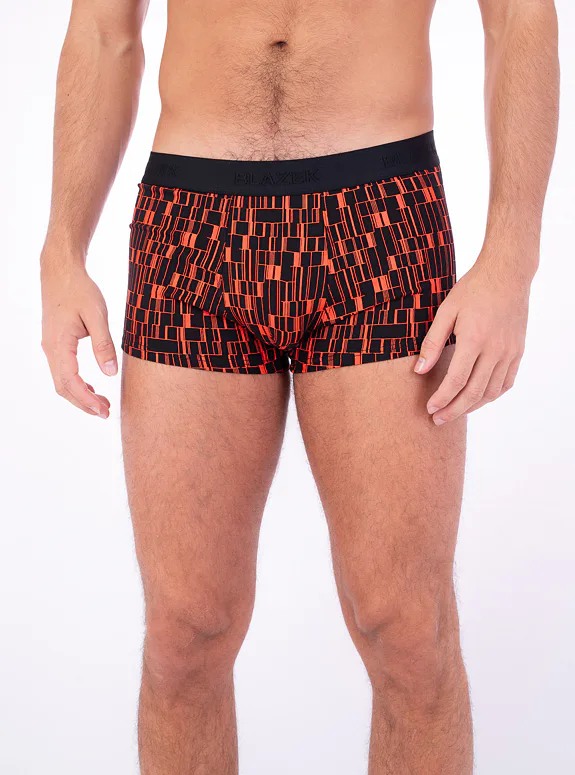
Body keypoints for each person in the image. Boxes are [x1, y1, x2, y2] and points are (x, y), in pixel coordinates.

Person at [39, 1, 560, 773]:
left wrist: (512, 256)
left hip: (378, 221)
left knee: (406, 633)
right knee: (185, 634)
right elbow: (104, 31)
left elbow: (518, 16)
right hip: (190, 229)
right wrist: (61, 248)